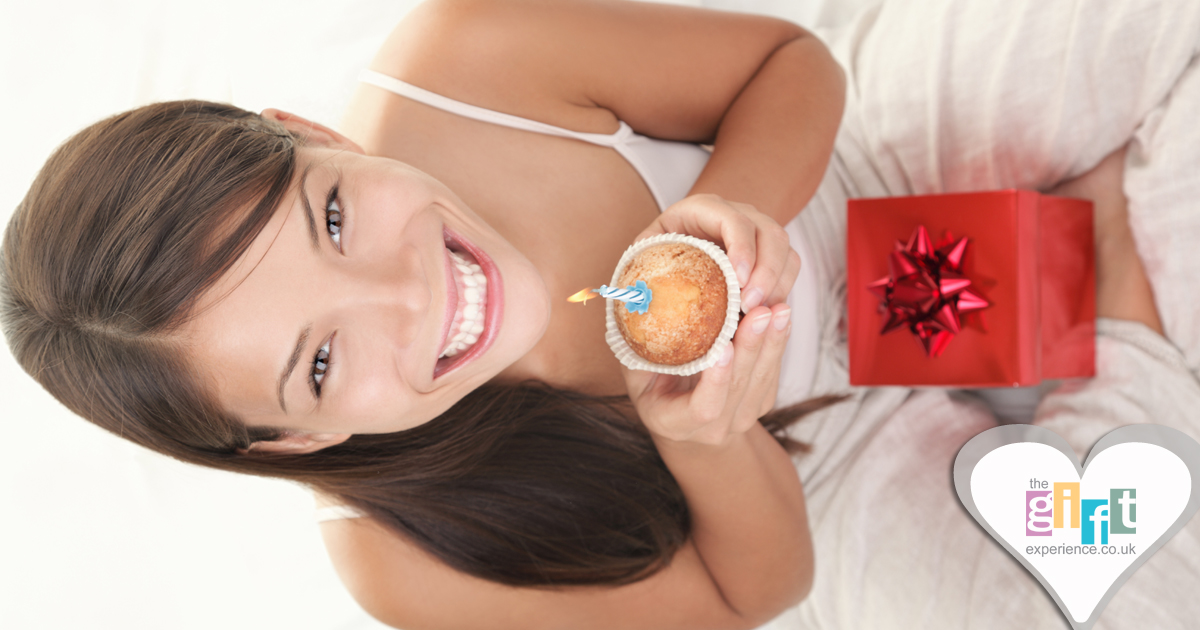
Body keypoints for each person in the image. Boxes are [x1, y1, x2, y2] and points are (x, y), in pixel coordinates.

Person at [3, 1, 1200, 629]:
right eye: (320, 366)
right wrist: (707, 438)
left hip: (855, 166)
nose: (409, 294)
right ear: (297, 442)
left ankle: (1113, 280)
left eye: (328, 222)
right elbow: (752, 595)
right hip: (821, 457)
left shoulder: (467, 54)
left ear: (313, 137)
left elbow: (791, 62)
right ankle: (1131, 309)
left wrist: (733, 203)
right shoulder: (396, 562)